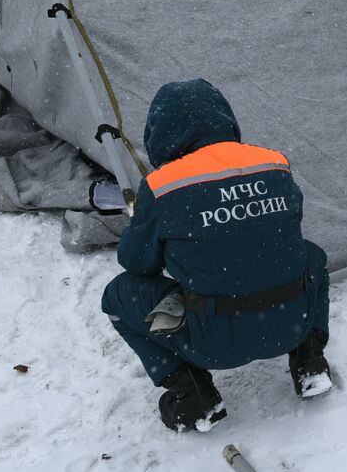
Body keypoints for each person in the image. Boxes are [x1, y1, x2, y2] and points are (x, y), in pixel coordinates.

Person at [101, 78, 332, 433]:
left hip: (211, 340)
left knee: (118, 295)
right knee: (312, 256)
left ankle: (191, 393)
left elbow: (137, 264)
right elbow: (285, 234)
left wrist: (154, 228)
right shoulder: (274, 163)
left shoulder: (163, 185)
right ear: (225, 118)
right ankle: (309, 360)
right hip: (291, 322)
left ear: (161, 132)